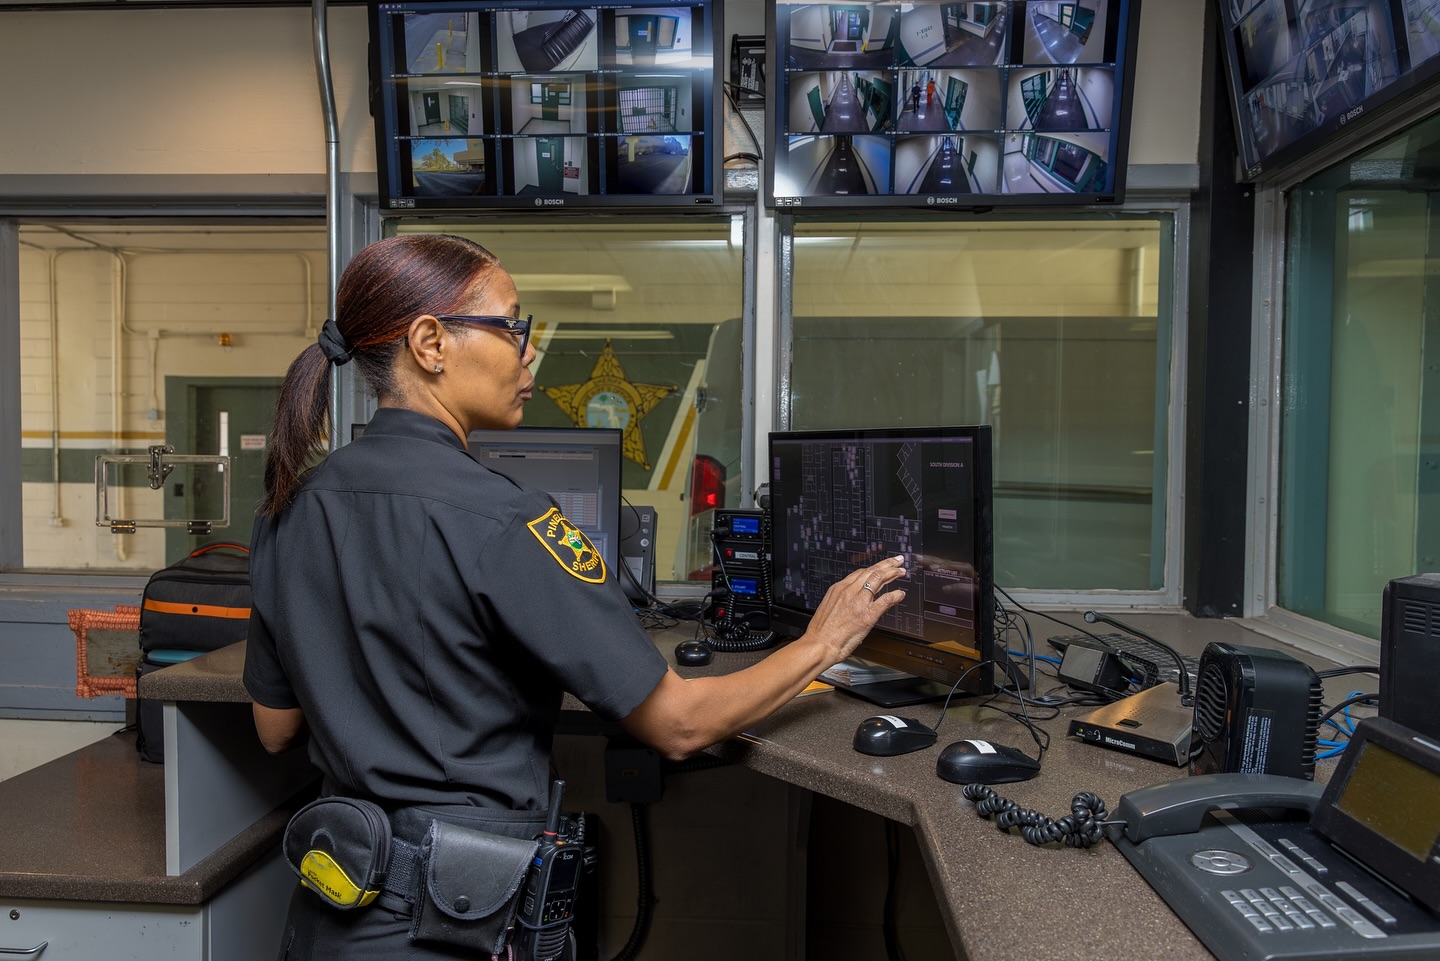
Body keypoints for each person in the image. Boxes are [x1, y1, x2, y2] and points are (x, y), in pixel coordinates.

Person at [242, 233, 908, 959]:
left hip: (330, 914)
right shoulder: (506, 520)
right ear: (431, 343)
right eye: (512, 325)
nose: (529, 352)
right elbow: (678, 725)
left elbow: (275, 728)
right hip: (453, 924)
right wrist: (822, 641)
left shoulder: (289, 507)